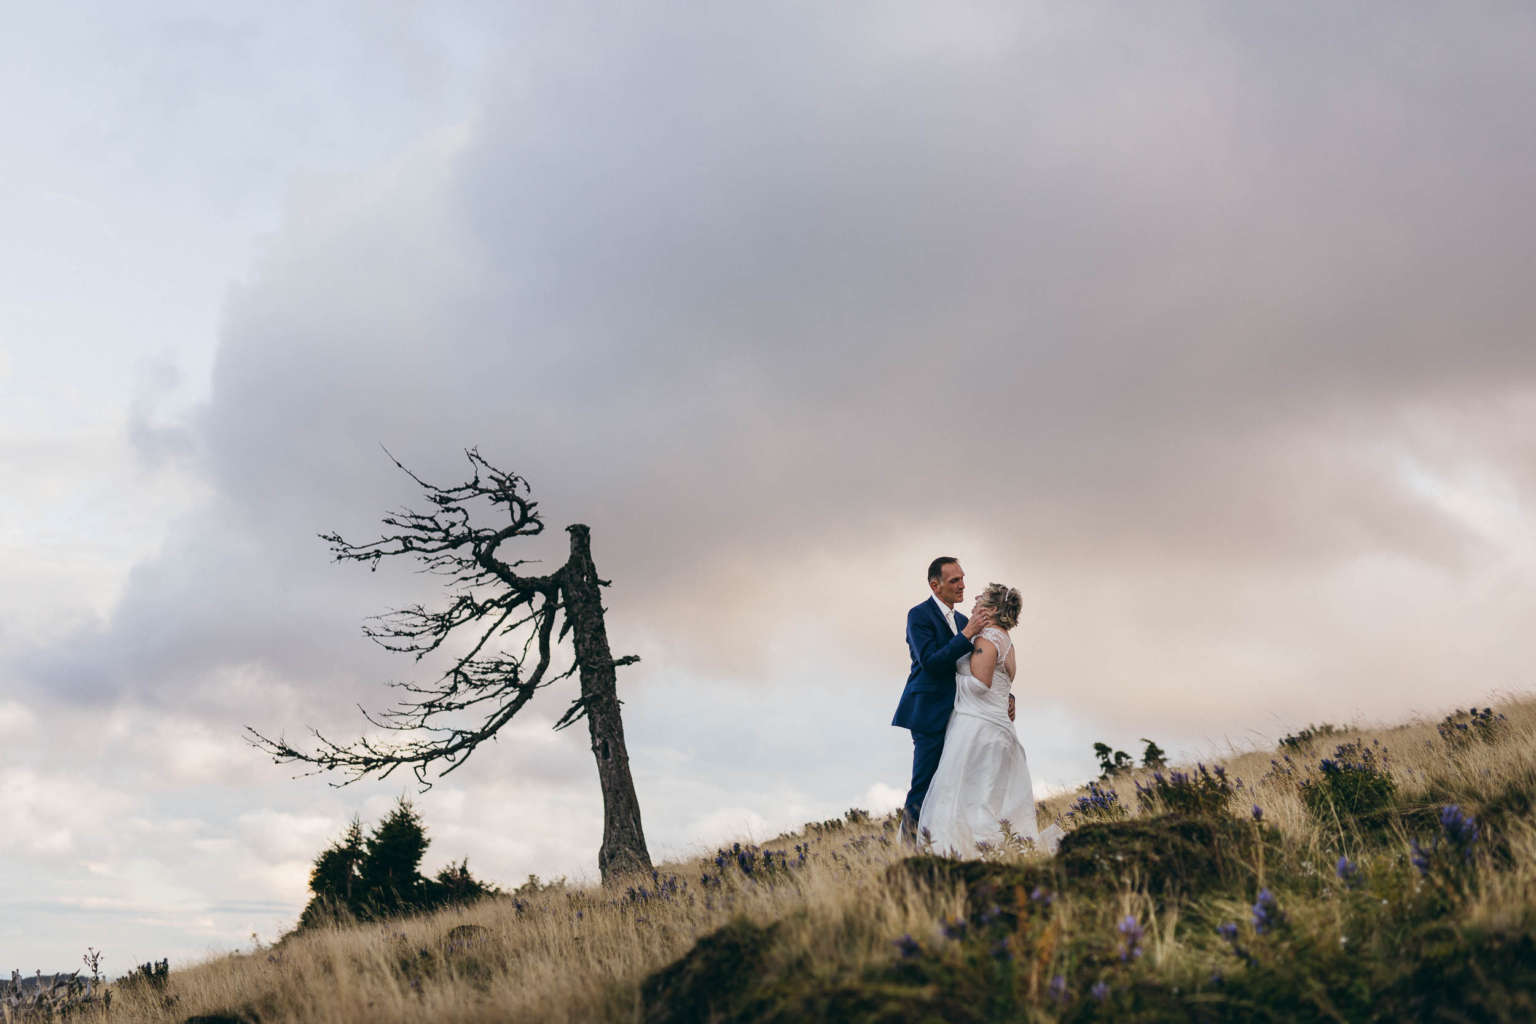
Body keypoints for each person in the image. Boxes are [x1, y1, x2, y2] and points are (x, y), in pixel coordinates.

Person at [917, 582, 1063, 856]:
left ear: (993, 609)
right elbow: (1001, 683)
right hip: (995, 727)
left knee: (971, 797)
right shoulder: (1003, 638)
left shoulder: (987, 638)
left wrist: (951, 681)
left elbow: (980, 685)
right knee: (988, 797)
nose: (973, 597)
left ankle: (972, 855)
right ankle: (995, 853)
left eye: (981, 598)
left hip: (978, 729)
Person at [891, 558, 1010, 841]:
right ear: (936, 585)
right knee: (924, 783)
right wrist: (968, 633)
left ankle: (944, 844)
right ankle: (908, 851)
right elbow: (930, 662)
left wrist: (1007, 692)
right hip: (928, 712)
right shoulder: (919, 615)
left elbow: (978, 664)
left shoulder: (960, 619)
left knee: (952, 784)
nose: (963, 585)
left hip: (962, 714)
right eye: (954, 580)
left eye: (963, 578)